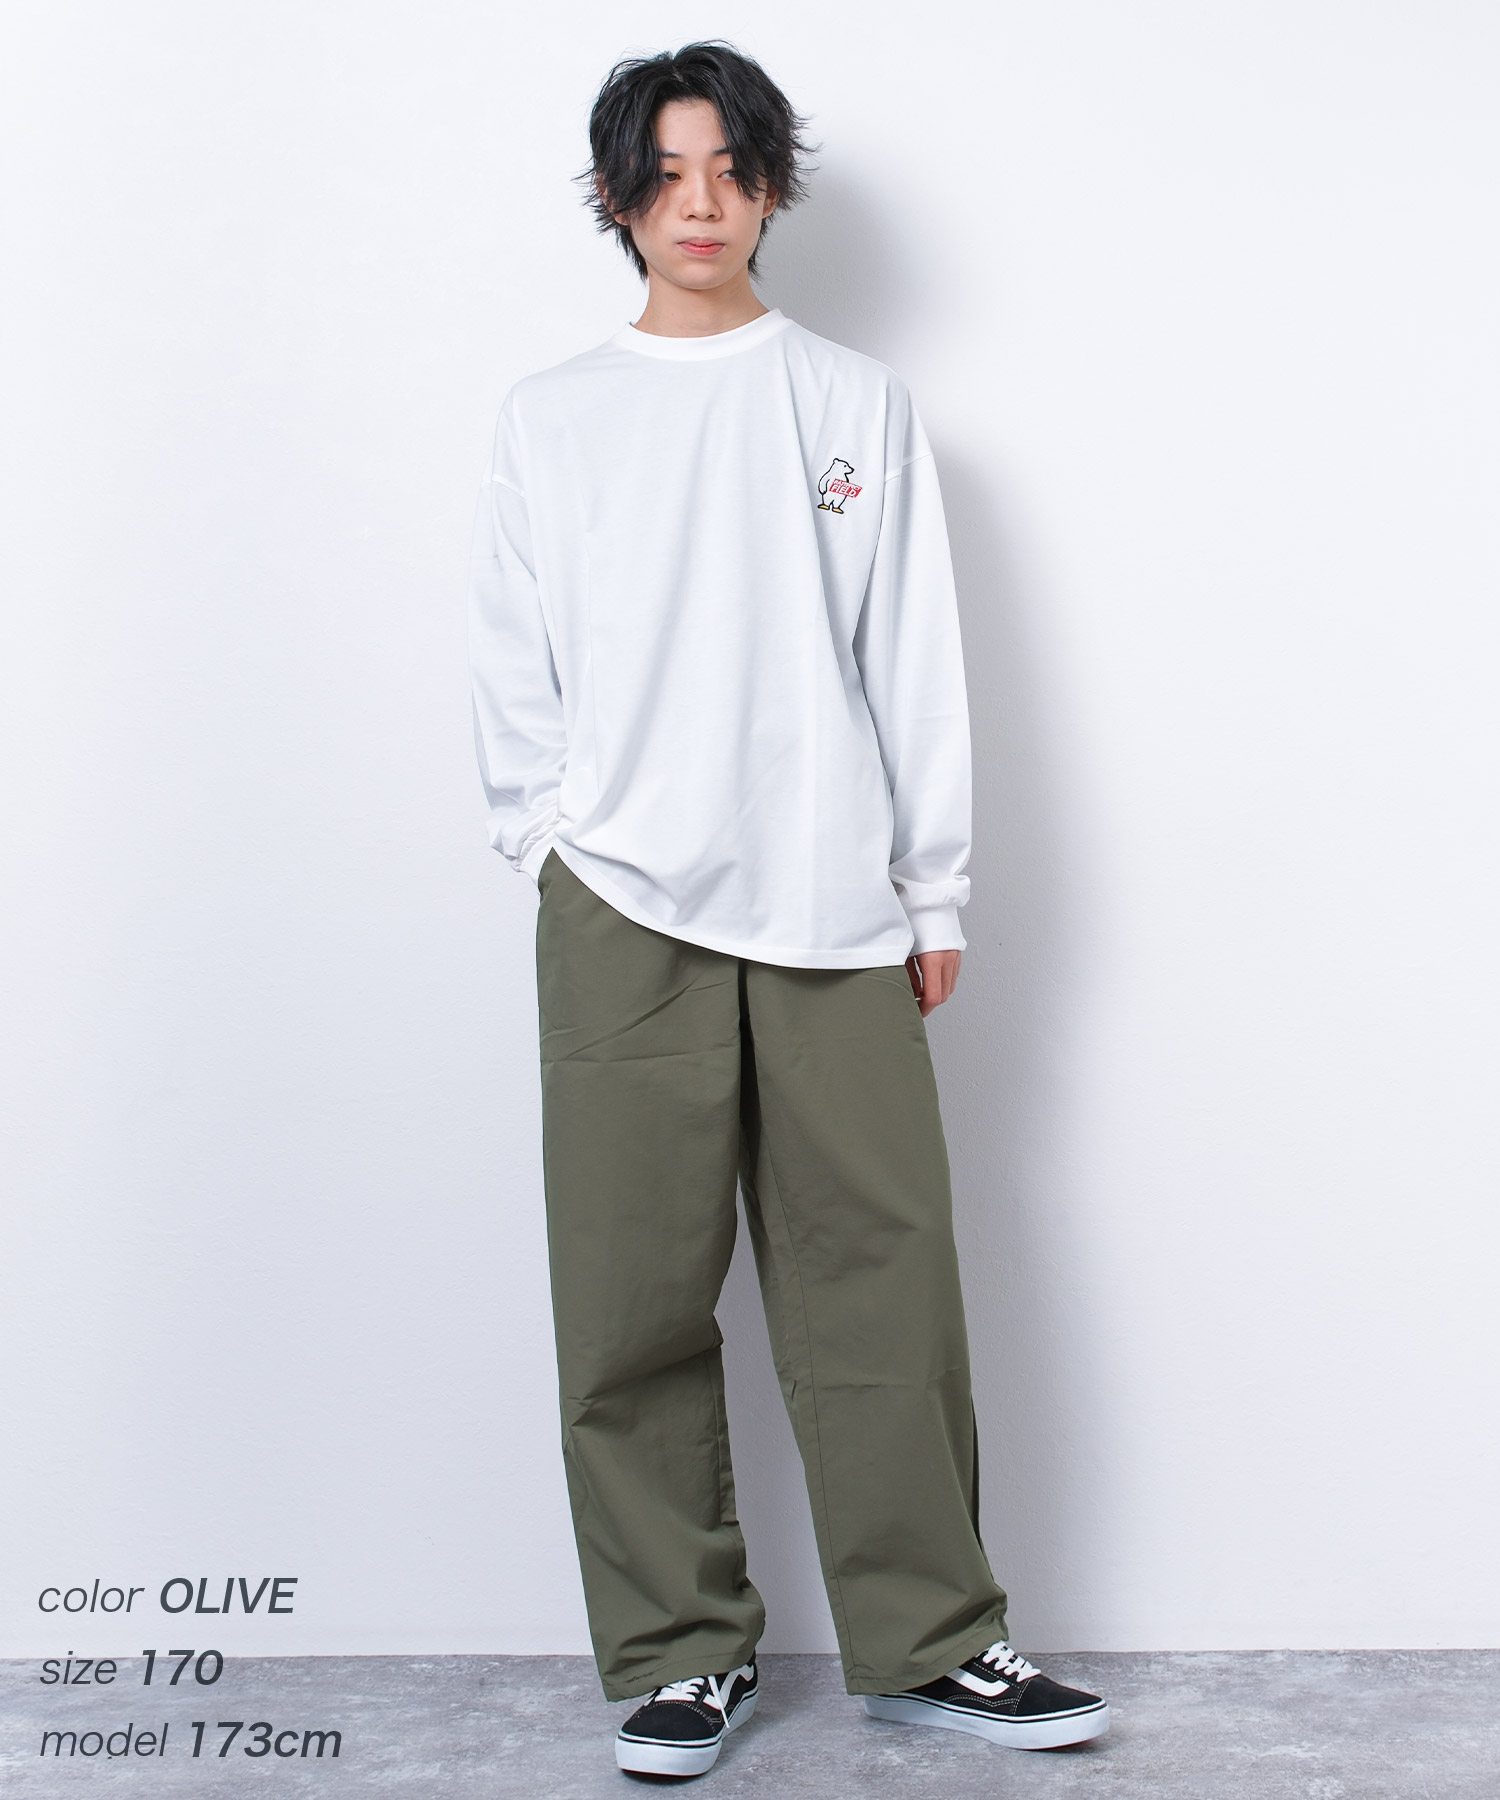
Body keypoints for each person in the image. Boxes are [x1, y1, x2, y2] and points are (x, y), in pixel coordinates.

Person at [467, 40, 1110, 1781]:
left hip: (833, 899)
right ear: (619, 196)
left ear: (769, 188)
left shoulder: (850, 402)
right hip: (620, 901)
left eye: (730, 169)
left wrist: (931, 886)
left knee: (882, 1284)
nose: (700, 202)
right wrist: (547, 842)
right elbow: (513, 659)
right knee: (628, 1298)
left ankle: (935, 1643)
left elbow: (909, 652)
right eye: (666, 172)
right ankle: (680, 1654)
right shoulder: (552, 415)